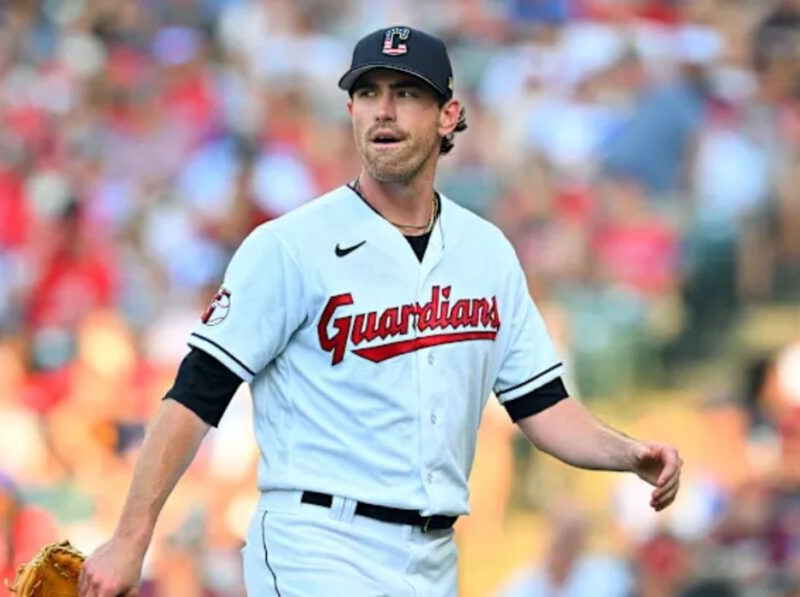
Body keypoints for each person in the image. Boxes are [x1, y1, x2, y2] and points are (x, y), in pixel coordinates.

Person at [78, 26, 682, 596]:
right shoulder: (288, 246)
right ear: (350, 113)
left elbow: (542, 405)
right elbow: (196, 393)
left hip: (434, 555)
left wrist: (627, 453)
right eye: (367, 93)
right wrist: (132, 537)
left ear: (449, 115)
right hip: (316, 542)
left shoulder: (486, 251)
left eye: (406, 93)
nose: (383, 110)